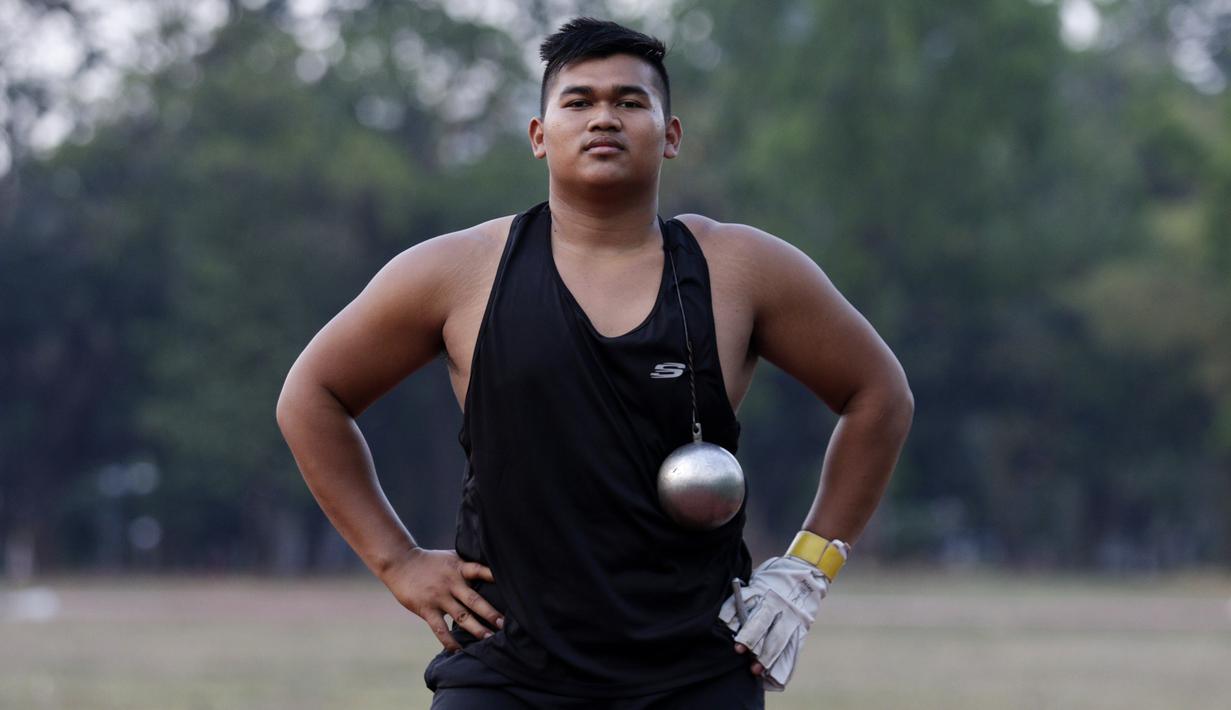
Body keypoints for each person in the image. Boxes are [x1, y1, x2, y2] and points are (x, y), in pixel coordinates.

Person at [276, 17, 913, 710]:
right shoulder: (458, 272)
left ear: (670, 137)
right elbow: (311, 395)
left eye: (629, 101)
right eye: (577, 102)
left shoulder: (739, 270)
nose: (603, 117)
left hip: (697, 672)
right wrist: (396, 561)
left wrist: (806, 570)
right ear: (539, 135)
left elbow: (878, 395)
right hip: (506, 672)